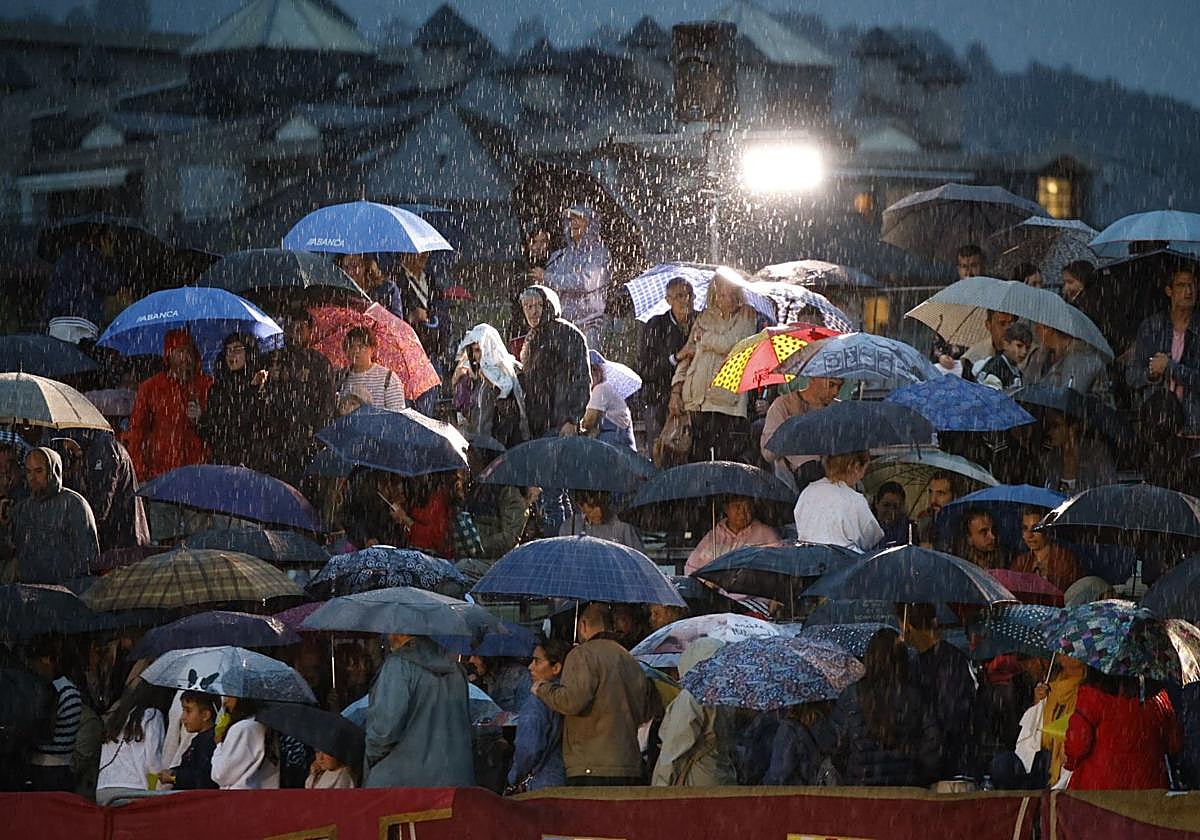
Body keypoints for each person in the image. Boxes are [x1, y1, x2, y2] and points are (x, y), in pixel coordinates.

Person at [533, 602, 660, 786]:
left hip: (590, 765)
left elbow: (572, 701)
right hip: (628, 763)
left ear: (583, 625)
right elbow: (646, 711)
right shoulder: (629, 658)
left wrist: (542, 688)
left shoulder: (582, 655)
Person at [817, 628, 939, 786]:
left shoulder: (851, 695)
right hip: (906, 791)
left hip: (861, 793)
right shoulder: (914, 697)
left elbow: (834, 745)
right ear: (902, 659)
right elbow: (932, 747)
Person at [669, 269, 761, 462]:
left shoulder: (747, 315)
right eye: (717, 293)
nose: (720, 298)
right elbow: (688, 354)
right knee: (695, 459)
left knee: (724, 460)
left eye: (725, 294)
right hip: (695, 401)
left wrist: (705, 337)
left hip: (726, 402)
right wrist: (676, 390)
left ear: (736, 294)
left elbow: (732, 344)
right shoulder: (704, 317)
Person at [365, 634, 473, 787]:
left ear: (399, 630)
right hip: (453, 781)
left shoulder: (398, 666)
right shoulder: (456, 670)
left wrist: (371, 755)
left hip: (401, 783)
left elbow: (385, 730)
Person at [1064, 670, 1182, 790]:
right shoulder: (1159, 699)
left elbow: (1077, 744)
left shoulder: (1093, 695)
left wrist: (1070, 762)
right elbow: (1174, 744)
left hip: (1101, 791)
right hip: (1150, 790)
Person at [263, 308, 337, 487]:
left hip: (307, 443)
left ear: (310, 332)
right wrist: (272, 380)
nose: (296, 331)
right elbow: (268, 403)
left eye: (301, 327)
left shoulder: (320, 363)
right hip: (278, 442)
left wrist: (315, 438)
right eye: (292, 326)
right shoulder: (275, 359)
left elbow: (326, 405)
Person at [1, 447, 98, 583]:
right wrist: (3, 525)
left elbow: (88, 560)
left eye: (39, 471)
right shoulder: (23, 509)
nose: (32, 478)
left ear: (54, 471)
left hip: (65, 592)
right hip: (30, 594)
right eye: (29, 472)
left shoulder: (74, 505)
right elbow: (9, 551)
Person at [126, 329, 212, 481]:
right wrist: (139, 473)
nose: (185, 358)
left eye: (189, 352)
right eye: (180, 351)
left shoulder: (207, 385)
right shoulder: (151, 387)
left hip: (199, 474)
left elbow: (217, 428)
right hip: (160, 474)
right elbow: (137, 432)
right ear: (169, 354)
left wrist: (202, 418)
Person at [901, 603, 974, 779]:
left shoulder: (949, 662)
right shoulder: (916, 662)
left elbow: (952, 716)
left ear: (908, 626)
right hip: (931, 762)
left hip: (948, 766)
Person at [652, 638, 737, 787]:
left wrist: (660, 786)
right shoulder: (728, 697)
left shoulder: (691, 696)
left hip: (696, 780)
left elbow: (674, 749)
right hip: (721, 776)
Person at [1127, 267, 1200, 436]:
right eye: (1181, 285)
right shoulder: (1151, 327)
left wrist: (1171, 368)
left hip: (1193, 425)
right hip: (1157, 422)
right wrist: (1151, 373)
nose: (1188, 291)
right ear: (1169, 291)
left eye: (1192, 285)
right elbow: (1131, 376)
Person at [52, 430, 148, 553]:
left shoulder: (102, 449)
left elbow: (101, 504)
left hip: (119, 540)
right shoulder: (91, 448)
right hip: (117, 538)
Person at [517, 285, 591, 440]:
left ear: (548, 305)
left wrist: (571, 419)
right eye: (528, 306)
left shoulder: (566, 333)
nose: (533, 311)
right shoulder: (531, 338)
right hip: (538, 424)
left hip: (561, 422)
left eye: (538, 305)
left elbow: (580, 378)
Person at [640, 276, 697, 458]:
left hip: (692, 400)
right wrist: (677, 357)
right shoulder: (656, 326)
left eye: (689, 295)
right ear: (668, 300)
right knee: (659, 454)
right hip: (658, 398)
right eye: (679, 296)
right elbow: (645, 369)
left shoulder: (701, 322)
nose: (685, 300)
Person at [196, 332, 269, 470]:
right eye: (228, 350)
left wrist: (255, 392)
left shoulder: (260, 382)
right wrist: (200, 419)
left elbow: (260, 425)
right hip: (223, 464)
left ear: (248, 353)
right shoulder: (218, 388)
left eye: (237, 349)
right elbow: (213, 433)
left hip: (253, 466)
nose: (231, 354)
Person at [540, 206, 611, 347]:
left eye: (579, 219)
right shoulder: (561, 255)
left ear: (591, 224)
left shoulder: (600, 254)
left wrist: (548, 277)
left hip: (591, 325)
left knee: (589, 366)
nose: (573, 223)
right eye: (570, 219)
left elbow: (586, 282)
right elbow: (548, 286)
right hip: (564, 325)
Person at [41, 227, 126, 343]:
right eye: (110, 240)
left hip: (57, 321)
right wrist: (109, 258)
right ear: (100, 238)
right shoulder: (93, 258)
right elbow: (111, 284)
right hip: (83, 321)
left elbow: (52, 292)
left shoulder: (65, 257)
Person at [95, 679, 171, 806]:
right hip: (133, 789)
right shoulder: (152, 715)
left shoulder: (118, 716)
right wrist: (157, 789)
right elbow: (153, 760)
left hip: (104, 787)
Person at [507, 637, 569, 792]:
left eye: (537, 661)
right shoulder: (571, 697)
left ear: (556, 667)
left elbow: (528, 748)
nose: (530, 667)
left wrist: (514, 777)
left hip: (541, 783)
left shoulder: (537, 702)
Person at [759, 376, 843, 489]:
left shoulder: (839, 410)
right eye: (831, 385)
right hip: (791, 487)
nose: (835, 392)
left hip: (832, 488)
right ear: (813, 378)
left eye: (840, 386)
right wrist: (792, 425)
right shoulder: (783, 405)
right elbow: (768, 453)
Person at [24, 637, 83, 792]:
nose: (32, 667)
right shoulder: (71, 691)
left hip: (47, 771)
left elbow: (40, 732)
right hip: (58, 771)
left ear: (47, 660)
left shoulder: (51, 691)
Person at [793, 451, 883, 553]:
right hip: (844, 564)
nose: (862, 475)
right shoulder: (854, 500)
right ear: (856, 467)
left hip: (808, 560)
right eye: (865, 469)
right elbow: (871, 538)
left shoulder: (808, 491)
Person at [453, 324, 528, 447]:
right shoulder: (474, 375)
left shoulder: (508, 372)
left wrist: (493, 385)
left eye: (482, 349)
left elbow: (510, 412)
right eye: (476, 350)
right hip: (482, 442)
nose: (480, 355)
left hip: (503, 442)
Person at [684, 496, 779, 576]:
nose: (742, 512)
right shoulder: (714, 536)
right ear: (726, 509)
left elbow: (778, 568)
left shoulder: (766, 534)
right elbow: (692, 568)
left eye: (747, 507)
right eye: (737, 506)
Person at [1040, 408, 1117, 493]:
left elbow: (1108, 488)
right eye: (1048, 425)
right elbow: (1051, 493)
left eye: (1055, 426)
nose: (1050, 432)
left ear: (1073, 427)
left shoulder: (1095, 452)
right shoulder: (1051, 456)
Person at [1024, 323, 1110, 399]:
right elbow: (1028, 384)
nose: (1036, 330)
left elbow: (1070, 398)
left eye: (1041, 326)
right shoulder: (1042, 354)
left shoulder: (1083, 357)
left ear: (1052, 329)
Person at [211, 696, 279, 789]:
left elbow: (220, 774)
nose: (225, 702)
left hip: (240, 797)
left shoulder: (243, 728)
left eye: (230, 695)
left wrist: (219, 746)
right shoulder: (263, 725)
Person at [1011, 506, 1083, 592]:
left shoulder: (1065, 560)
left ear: (1047, 529)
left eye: (1035, 528)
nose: (1029, 536)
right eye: (1025, 528)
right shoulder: (1020, 563)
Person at [336, 326, 406, 411]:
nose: (356, 351)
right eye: (351, 346)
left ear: (372, 349)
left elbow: (398, 415)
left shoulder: (388, 378)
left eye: (361, 347)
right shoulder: (341, 377)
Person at [396, 251, 446, 368]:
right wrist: (410, 317)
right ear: (405, 253)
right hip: (410, 352)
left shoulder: (430, 279)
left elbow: (442, 309)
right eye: (419, 252)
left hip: (433, 352)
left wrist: (431, 315)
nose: (424, 255)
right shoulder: (396, 281)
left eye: (426, 252)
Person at [159, 691, 218, 791]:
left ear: (205, 715)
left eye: (188, 711)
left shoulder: (209, 741)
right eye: (183, 710)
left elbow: (203, 777)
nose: (183, 717)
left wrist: (175, 777)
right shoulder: (199, 739)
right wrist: (173, 772)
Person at [580, 350, 636, 451]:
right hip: (619, 447)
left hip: (616, 447)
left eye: (594, 369)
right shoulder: (603, 389)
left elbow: (589, 421)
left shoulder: (602, 388)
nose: (592, 374)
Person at [559, 489, 642, 551]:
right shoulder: (570, 527)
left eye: (601, 505)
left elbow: (638, 555)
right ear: (580, 506)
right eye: (591, 508)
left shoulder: (622, 526)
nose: (598, 512)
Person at [337, 253, 403, 320]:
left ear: (365, 265)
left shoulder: (389, 288)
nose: (350, 272)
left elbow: (397, 321)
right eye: (346, 267)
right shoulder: (341, 292)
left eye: (355, 266)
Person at [976, 321, 1032, 390]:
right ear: (1005, 344)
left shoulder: (1015, 370)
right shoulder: (997, 369)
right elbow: (990, 396)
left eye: (1027, 347)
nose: (1024, 352)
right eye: (1019, 346)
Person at [913, 472, 957, 548]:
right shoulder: (924, 519)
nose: (933, 500)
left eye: (940, 493)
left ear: (954, 496)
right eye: (930, 492)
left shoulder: (960, 523)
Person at [871, 482, 910, 548]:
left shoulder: (907, 530)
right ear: (876, 503)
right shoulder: (866, 526)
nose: (891, 511)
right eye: (886, 505)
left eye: (895, 507)